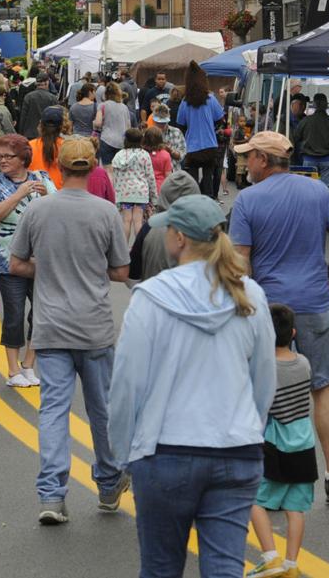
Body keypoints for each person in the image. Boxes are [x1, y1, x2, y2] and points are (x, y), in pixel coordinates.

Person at [110, 195, 275, 578]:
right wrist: (251, 426)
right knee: (224, 567)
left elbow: (127, 385)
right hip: (237, 447)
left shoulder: (151, 298)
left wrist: (124, 453)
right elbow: (263, 378)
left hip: (166, 449)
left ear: (179, 238)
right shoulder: (250, 294)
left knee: (160, 567)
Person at [228, 131, 329, 505]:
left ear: (264, 161)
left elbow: (240, 260)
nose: (245, 163)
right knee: (323, 386)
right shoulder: (316, 191)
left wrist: (245, 302)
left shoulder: (248, 200)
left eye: (249, 156)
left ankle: (263, 476)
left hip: (268, 305)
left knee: (260, 388)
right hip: (314, 301)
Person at [9, 138, 131, 525]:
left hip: (51, 326)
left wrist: (48, 268)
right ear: (94, 166)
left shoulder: (39, 209)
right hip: (94, 326)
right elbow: (120, 272)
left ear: (58, 166)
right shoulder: (106, 212)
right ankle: (109, 485)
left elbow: (16, 264)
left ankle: (51, 495)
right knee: (102, 411)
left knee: (53, 412)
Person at [248, 304, 316, 578]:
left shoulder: (265, 368)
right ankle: (291, 564)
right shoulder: (304, 364)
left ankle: (270, 556)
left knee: (254, 499)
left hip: (275, 443)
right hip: (304, 443)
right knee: (296, 508)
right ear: (294, 333)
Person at [0, 134, 55, 389]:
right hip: (7, 259)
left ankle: (28, 365)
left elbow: (57, 213)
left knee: (42, 313)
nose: (2, 161)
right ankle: (12, 370)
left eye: (8, 156)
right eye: (0, 156)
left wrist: (47, 197)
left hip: (41, 260)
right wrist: (18, 195)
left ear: (23, 158)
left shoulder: (42, 179)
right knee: (13, 314)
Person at [127, 170, 200, 284]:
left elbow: (132, 278)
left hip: (154, 296)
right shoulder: (206, 228)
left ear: (164, 194)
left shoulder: (150, 227)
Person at [175, 61, 226, 198]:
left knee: (192, 180)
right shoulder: (210, 98)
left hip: (192, 146)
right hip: (210, 144)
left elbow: (181, 123)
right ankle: (208, 201)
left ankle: (194, 202)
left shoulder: (185, 101)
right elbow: (220, 118)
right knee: (208, 177)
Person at [111, 128, 157, 245]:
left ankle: (124, 250)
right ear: (141, 140)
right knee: (138, 221)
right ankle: (139, 248)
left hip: (124, 193)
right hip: (140, 193)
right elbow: (150, 177)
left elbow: (115, 176)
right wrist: (154, 197)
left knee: (126, 221)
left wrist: (116, 194)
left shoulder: (119, 155)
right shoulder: (144, 155)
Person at [294, 94, 329, 191]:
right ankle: (327, 206)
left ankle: (309, 206)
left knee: (308, 188)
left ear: (314, 105)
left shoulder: (305, 121)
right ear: (326, 105)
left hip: (309, 158)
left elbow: (296, 138)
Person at [93, 82, 131, 167]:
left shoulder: (102, 105)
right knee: (119, 168)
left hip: (107, 140)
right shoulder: (124, 107)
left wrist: (94, 123)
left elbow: (98, 123)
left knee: (108, 168)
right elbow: (128, 126)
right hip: (121, 142)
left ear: (106, 94)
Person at [28, 106, 65, 187]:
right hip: (60, 193)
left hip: (36, 192)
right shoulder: (67, 146)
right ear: (61, 126)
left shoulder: (30, 146)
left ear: (40, 124)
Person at [143, 127, 172, 197]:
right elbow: (168, 176)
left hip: (145, 188)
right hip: (160, 189)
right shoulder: (165, 155)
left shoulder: (142, 154)